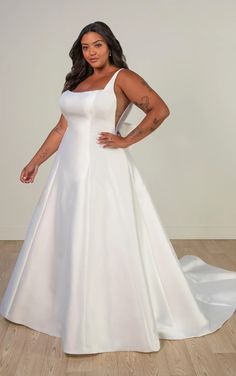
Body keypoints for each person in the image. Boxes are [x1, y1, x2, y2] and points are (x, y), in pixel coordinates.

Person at [0, 21, 236, 355]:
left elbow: (159, 109)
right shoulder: (77, 80)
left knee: (105, 235)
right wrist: (35, 161)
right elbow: (60, 128)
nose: (91, 52)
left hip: (103, 170)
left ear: (108, 46)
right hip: (67, 172)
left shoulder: (122, 77)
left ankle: (106, 315)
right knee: (65, 234)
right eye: (85, 47)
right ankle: (58, 307)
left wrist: (126, 140)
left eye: (97, 45)